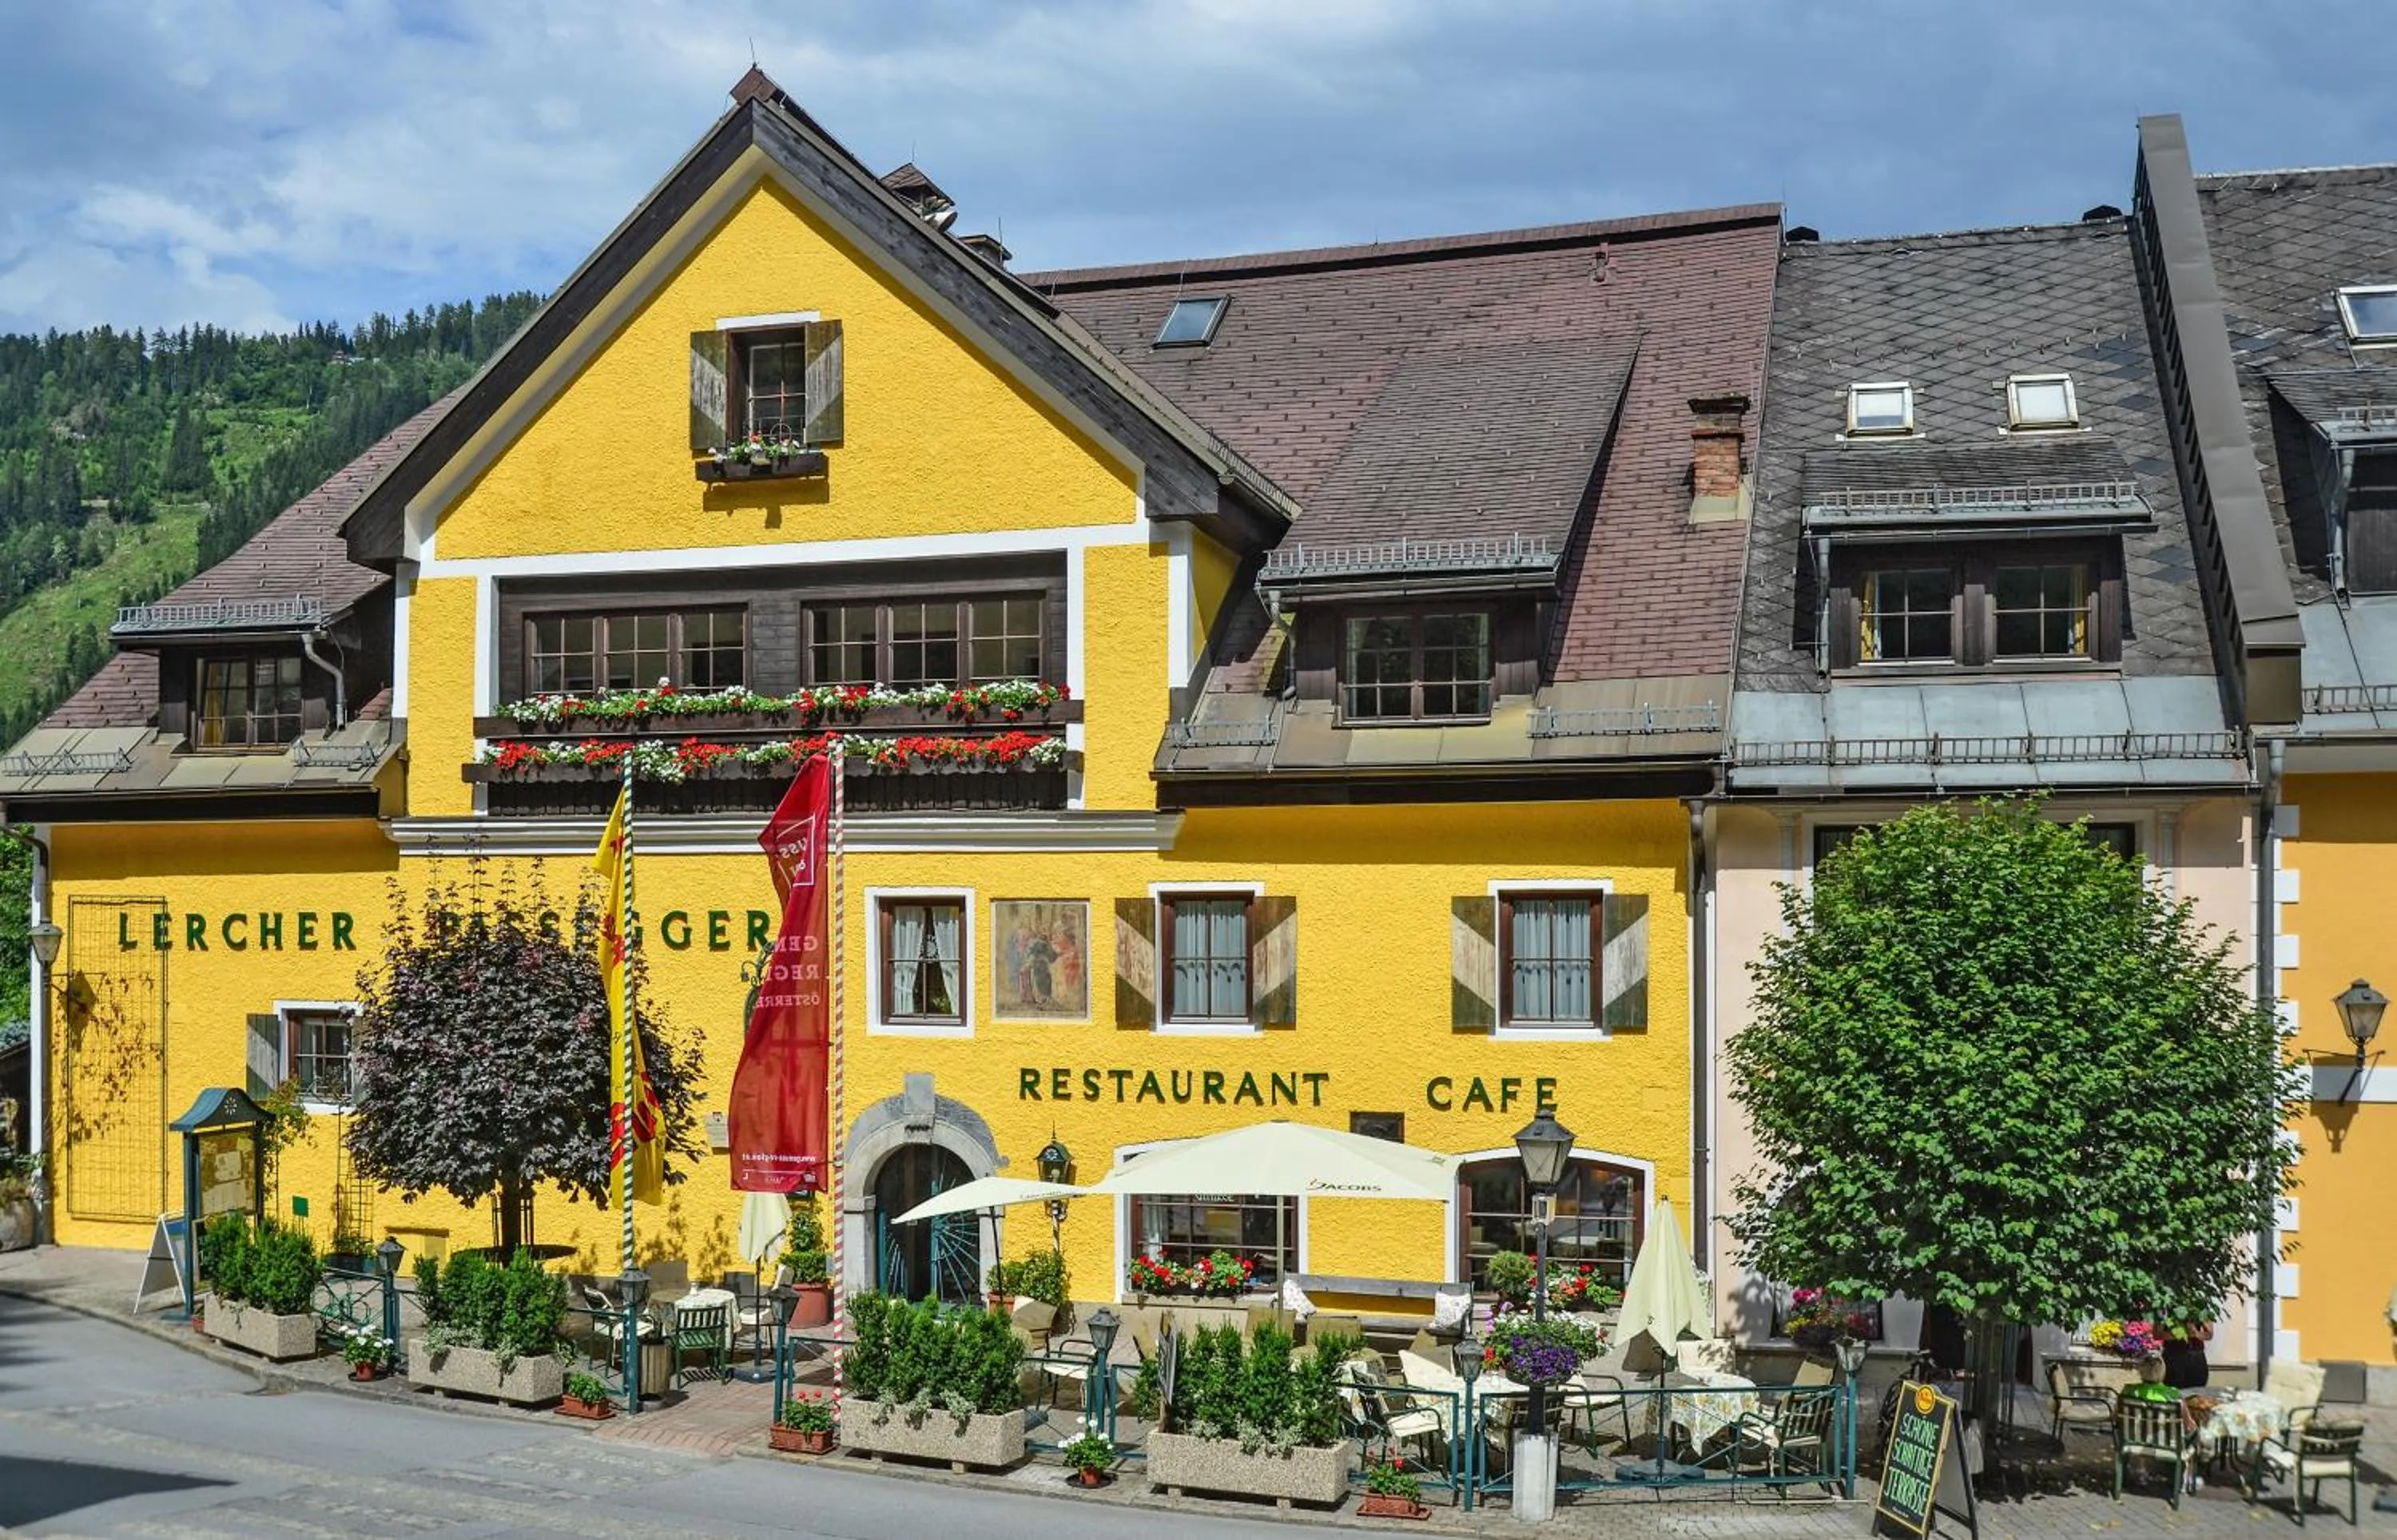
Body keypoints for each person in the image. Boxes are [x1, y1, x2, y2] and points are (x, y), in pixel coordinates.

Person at [2162, 1320, 2212, 1391]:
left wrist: (2196, 1333)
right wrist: (2181, 1334)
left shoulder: (2202, 1310)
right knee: (2173, 1393)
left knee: (2197, 1393)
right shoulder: (2164, 1310)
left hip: (2196, 1357)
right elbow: (2157, 1334)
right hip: (2173, 1356)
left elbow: (2209, 1335)